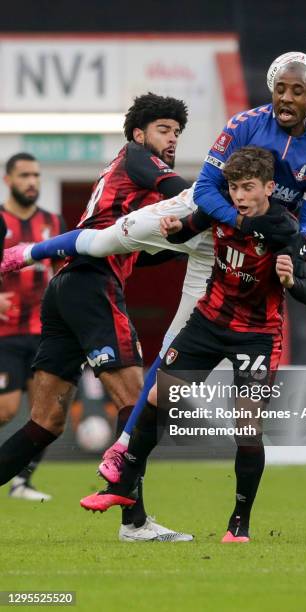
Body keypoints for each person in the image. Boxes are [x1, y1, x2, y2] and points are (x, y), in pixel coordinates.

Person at [80, 146, 306, 543]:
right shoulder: (220, 208)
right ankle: (123, 487)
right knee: (159, 398)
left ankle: (239, 522)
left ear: (269, 188)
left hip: (256, 335)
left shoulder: (284, 231)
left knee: (246, 425)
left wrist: (292, 280)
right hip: (209, 321)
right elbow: (189, 228)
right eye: (234, 187)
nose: (239, 196)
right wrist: (175, 228)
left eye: (248, 188)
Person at [0, 93, 199, 540]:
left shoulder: (129, 178)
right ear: (139, 133)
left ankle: (133, 519)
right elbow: (184, 195)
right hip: (92, 285)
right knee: (138, 403)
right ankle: (134, 523)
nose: (171, 140)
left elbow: (133, 248)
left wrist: (170, 246)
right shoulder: (135, 158)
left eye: (177, 133)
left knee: (46, 421)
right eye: (164, 130)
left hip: (68, 286)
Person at [193, 51, 306, 256]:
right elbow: (203, 189)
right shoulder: (243, 125)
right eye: (280, 90)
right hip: (212, 216)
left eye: (297, 92)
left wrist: (300, 245)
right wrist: (243, 222)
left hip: (258, 239)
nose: (286, 98)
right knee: (137, 230)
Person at [0, 153, 65, 501]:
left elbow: (64, 270)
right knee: (6, 410)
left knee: (49, 411)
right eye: (24, 175)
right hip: (4, 335)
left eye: (36, 175)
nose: (32, 182)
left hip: (43, 333)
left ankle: (21, 482)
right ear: (9, 180)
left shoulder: (53, 222)